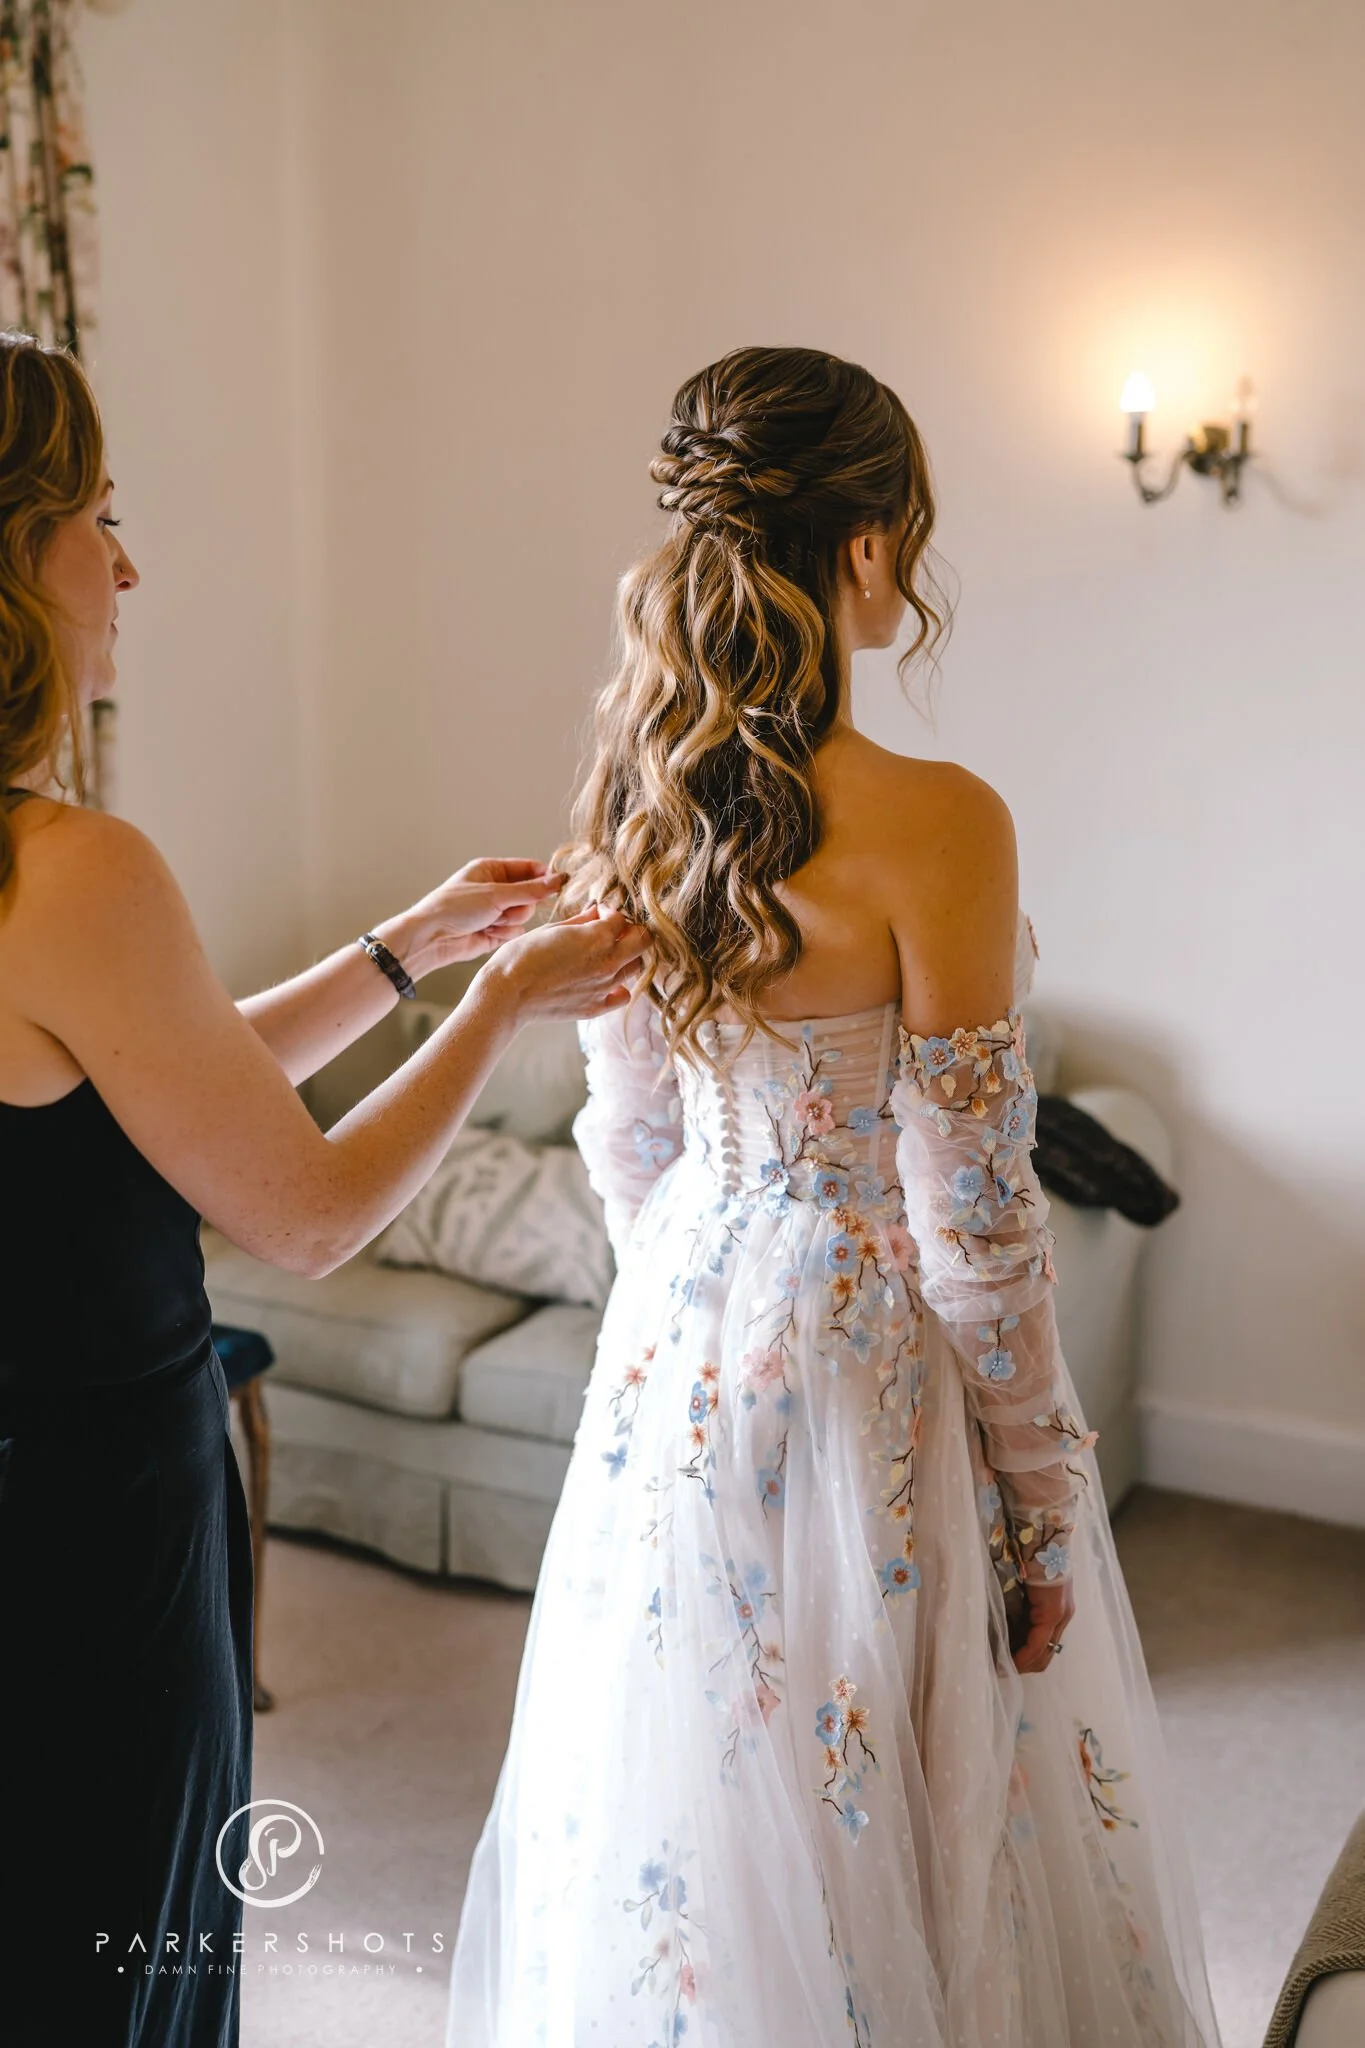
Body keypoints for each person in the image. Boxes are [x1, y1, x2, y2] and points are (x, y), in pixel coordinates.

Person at [447, 347, 1222, 2046]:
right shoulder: (944, 823)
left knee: (709, 1788)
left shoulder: (632, 800)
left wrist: (697, 1304)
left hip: (683, 1335)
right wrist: (1042, 1480)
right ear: (867, 544)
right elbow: (977, 1214)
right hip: (869, 1345)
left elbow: (626, 1141)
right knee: (909, 1787)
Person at [0, 329, 644, 2048]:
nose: (126, 563)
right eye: (97, 515)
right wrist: (504, 998)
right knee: (112, 1930)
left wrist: (406, 952)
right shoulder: (70, 868)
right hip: (87, 1522)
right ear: (12, 551)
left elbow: (154, 1080)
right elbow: (305, 1213)